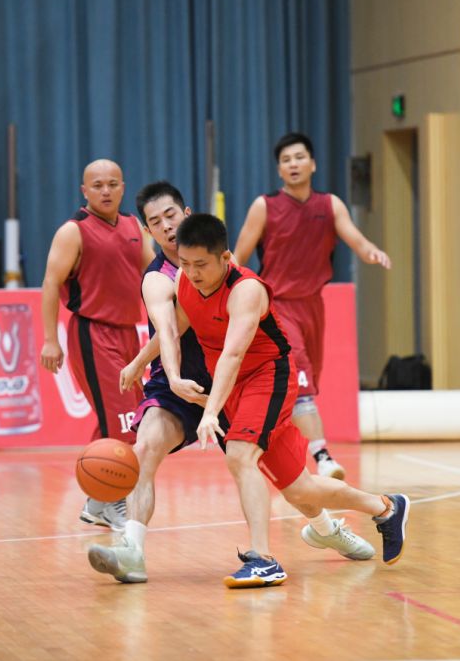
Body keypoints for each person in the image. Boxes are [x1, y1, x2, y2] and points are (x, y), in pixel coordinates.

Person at [89, 182, 378, 586]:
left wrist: (144, 363)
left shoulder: (223, 266)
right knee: (146, 448)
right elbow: (168, 331)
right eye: (155, 222)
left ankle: (327, 528)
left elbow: (236, 345)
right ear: (147, 230)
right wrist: (167, 374)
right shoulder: (158, 279)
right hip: (179, 387)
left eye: (170, 216)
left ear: (186, 215)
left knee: (290, 482)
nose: (166, 227)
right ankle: (131, 552)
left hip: (231, 384)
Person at [167, 214, 409, 587]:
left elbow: (233, 354)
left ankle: (262, 559)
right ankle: (386, 508)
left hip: (267, 378)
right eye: (184, 263)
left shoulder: (246, 290)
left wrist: (210, 410)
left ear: (226, 257)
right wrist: (140, 363)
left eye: (200, 264)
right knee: (300, 489)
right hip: (234, 386)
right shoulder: (184, 281)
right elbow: (175, 328)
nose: (191, 272)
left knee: (240, 455)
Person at [233, 131, 392, 480]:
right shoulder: (264, 206)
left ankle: (275, 451)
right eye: (286, 160)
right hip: (277, 307)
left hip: (313, 307)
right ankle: (323, 457)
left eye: (299, 157)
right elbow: (238, 258)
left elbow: (357, 240)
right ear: (279, 169)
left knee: (299, 388)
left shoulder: (330, 205)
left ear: (313, 164)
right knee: (301, 380)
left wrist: (372, 253)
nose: (293, 164)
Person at [40, 159, 155, 531]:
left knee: (129, 419)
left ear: (123, 187)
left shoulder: (134, 226)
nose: (105, 191)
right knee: (123, 423)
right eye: (98, 185)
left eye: (112, 184)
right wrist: (50, 340)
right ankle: (112, 501)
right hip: (92, 333)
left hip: (128, 334)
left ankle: (97, 500)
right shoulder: (73, 231)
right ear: (84, 190)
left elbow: (154, 273)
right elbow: (49, 284)